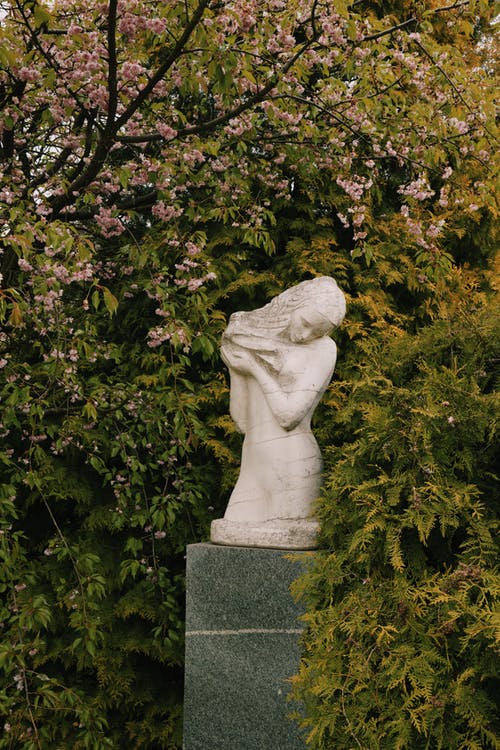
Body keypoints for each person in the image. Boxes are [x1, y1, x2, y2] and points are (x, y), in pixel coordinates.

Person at [212, 277, 346, 546]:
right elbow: (241, 420)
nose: (305, 335)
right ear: (296, 305)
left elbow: (288, 416)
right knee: (225, 533)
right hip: (253, 464)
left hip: (293, 465)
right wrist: (235, 370)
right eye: (306, 323)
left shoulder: (323, 349)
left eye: (316, 331)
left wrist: (254, 368)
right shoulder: (262, 344)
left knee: (288, 540)